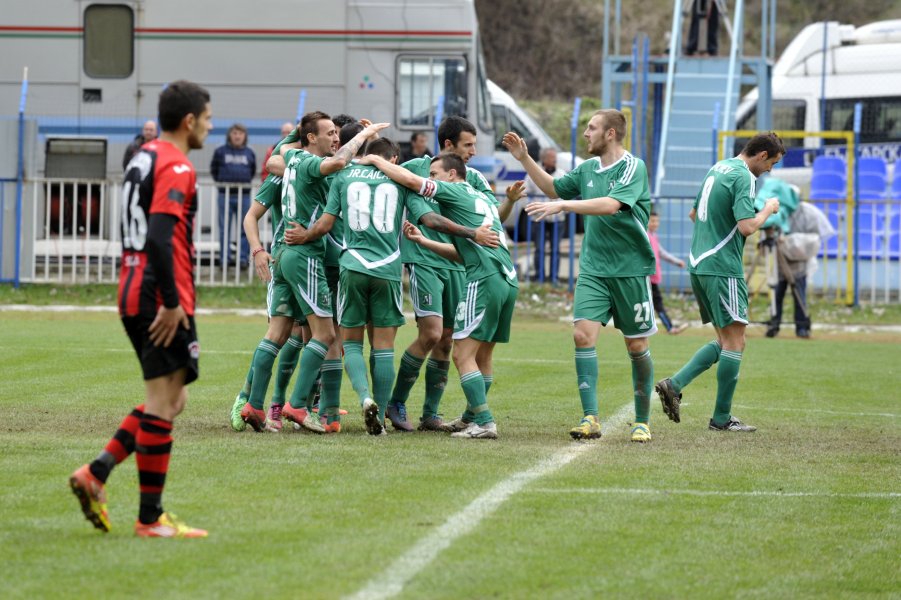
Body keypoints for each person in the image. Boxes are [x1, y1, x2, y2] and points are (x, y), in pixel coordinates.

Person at [69, 80, 212, 538]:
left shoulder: (143, 155)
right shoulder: (177, 164)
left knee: (172, 400)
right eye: (208, 118)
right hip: (158, 296)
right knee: (164, 401)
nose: (211, 126)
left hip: (132, 287)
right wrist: (172, 302)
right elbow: (158, 235)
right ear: (189, 121)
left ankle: (97, 473)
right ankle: (149, 518)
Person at [287, 138, 500, 435]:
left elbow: (323, 226)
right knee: (383, 347)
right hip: (387, 269)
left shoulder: (345, 175)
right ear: (394, 159)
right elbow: (430, 219)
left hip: (353, 265)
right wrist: (470, 233)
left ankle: (365, 398)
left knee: (350, 343)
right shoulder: (400, 182)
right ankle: (384, 421)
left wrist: (303, 236)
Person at [504, 109, 658, 444]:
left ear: (611, 134)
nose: (586, 134)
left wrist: (566, 207)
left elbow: (611, 204)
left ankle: (642, 420)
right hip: (593, 270)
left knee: (636, 345)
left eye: (592, 128)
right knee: (581, 336)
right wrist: (526, 159)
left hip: (630, 270)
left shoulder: (634, 167)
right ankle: (590, 417)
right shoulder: (587, 169)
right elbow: (553, 189)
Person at [386, 115, 524, 433]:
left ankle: (439, 415)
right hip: (429, 260)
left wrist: (508, 203)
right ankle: (397, 402)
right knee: (435, 334)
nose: (474, 151)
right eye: (468, 145)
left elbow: (489, 224)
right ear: (449, 145)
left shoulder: (470, 178)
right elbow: (428, 216)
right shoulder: (422, 170)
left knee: (454, 343)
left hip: (467, 266)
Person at [259, 112, 387, 433]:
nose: (336, 140)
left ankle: (319, 411)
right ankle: (289, 404)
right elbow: (284, 164)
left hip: (316, 256)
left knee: (310, 336)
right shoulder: (325, 166)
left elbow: (280, 158)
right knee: (313, 336)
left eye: (338, 135)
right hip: (312, 255)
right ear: (312, 138)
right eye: (331, 134)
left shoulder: (300, 158)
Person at [655, 132, 784, 432]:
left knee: (727, 341)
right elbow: (747, 227)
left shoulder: (718, 167)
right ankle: (721, 418)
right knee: (736, 342)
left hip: (699, 263)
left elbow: (692, 214)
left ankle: (674, 385)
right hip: (723, 267)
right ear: (762, 155)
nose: (770, 171)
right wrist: (768, 210)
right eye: (772, 164)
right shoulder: (745, 177)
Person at [229, 124, 308, 433]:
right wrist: (258, 250)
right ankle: (248, 399)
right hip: (286, 261)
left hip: (312, 261)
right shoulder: (282, 173)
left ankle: (296, 405)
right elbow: (251, 216)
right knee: (285, 333)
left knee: (302, 336)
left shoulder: (320, 172)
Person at [757, 179, 833, 339]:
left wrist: (791, 242)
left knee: (799, 295)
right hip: (779, 262)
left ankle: (802, 327)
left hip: (798, 264)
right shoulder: (779, 212)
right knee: (776, 295)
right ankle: (774, 324)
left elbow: (813, 240)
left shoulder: (808, 214)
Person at [210, 123, 257, 266]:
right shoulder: (220, 151)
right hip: (225, 195)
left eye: (240, 133)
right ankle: (224, 259)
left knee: (246, 228)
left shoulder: (250, 152)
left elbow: (252, 170)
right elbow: (214, 169)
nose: (237, 136)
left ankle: (243, 259)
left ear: (245, 136)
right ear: (230, 135)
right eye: (235, 133)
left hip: (244, 195)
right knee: (224, 229)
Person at [524, 147, 566, 281]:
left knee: (555, 249)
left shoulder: (561, 174)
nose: (554, 160)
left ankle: (554, 277)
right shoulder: (534, 173)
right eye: (550, 158)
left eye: (555, 158)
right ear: (544, 159)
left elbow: (567, 192)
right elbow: (525, 191)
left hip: (557, 218)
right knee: (539, 249)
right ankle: (539, 277)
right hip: (539, 217)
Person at [648, 210, 688, 334]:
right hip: (647, 276)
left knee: (653, 302)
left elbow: (661, 252)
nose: (655, 223)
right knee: (657, 302)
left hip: (653, 277)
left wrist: (676, 261)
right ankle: (670, 328)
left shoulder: (654, 236)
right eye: (653, 221)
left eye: (657, 221)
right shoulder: (645, 235)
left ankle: (669, 327)